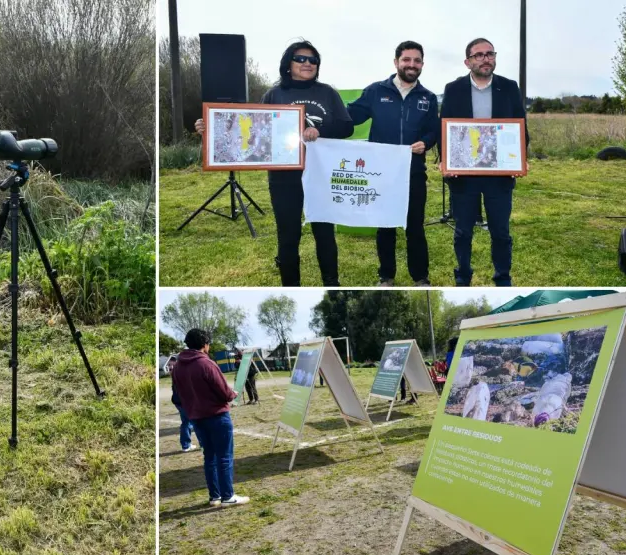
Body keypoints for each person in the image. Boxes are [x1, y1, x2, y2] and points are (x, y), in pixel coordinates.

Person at [196, 40, 354, 286]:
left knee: (325, 234)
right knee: (288, 237)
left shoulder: (327, 93)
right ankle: (291, 288)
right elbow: (253, 131)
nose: (307, 64)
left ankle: (332, 284)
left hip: (321, 175)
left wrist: (319, 130)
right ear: (288, 64)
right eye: (301, 58)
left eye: (313, 60)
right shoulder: (274, 94)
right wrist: (211, 127)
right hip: (284, 178)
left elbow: (347, 126)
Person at [347, 41, 439, 287]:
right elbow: (350, 116)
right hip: (382, 174)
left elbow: (434, 131)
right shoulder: (376, 91)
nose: (412, 65)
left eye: (417, 60)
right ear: (396, 62)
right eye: (407, 60)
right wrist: (322, 122)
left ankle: (420, 277)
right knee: (385, 226)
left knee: (415, 227)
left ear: (422, 64)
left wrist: (426, 143)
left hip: (414, 173)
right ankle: (386, 276)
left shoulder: (428, 98)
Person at [440, 38, 530, 286]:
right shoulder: (454, 88)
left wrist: (521, 158)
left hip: (499, 174)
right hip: (463, 174)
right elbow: (445, 129)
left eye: (489, 53)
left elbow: (520, 127)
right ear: (468, 61)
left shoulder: (509, 87)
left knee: (500, 232)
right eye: (478, 55)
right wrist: (445, 161)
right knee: (463, 232)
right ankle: (463, 276)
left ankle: (503, 278)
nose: (485, 58)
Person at [172, 328, 249, 507]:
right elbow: (223, 391)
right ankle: (228, 496)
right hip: (216, 416)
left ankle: (214, 496)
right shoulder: (206, 364)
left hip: (196, 418)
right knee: (224, 456)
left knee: (209, 456)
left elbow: (179, 393)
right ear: (205, 345)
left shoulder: (177, 367)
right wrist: (232, 394)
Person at [170, 373, 199, 453]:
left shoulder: (177, 373)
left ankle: (186, 445)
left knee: (186, 422)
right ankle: (202, 444)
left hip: (179, 402)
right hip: (184, 403)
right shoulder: (183, 373)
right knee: (195, 422)